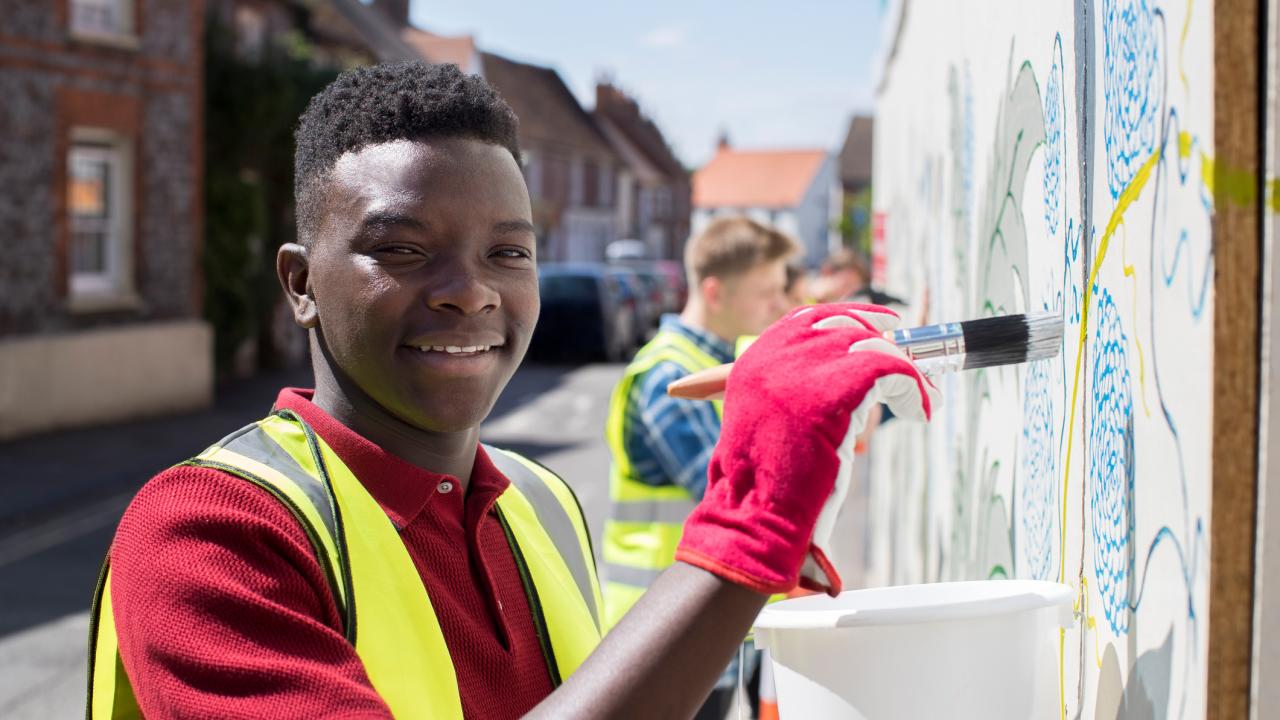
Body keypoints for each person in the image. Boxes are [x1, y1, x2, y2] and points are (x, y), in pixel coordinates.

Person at [87, 62, 938, 720]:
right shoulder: (208, 534)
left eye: (509, 252)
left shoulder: (540, 502)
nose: (471, 291)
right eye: (405, 250)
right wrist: (750, 522)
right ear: (301, 284)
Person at [602, 217, 794, 716]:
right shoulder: (671, 378)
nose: (781, 303)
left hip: (711, 626)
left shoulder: (730, 363)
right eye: (766, 291)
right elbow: (744, 500)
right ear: (715, 291)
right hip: (668, 635)